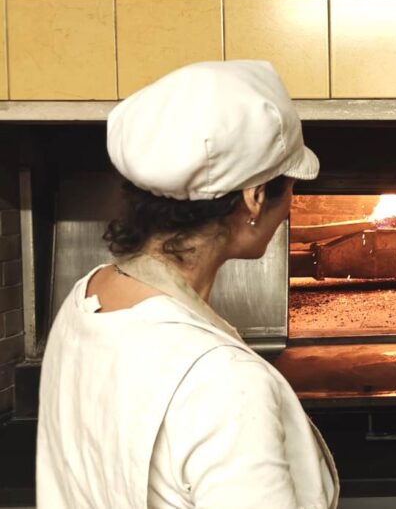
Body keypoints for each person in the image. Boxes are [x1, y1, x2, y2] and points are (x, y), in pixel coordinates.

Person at [36, 60, 339, 508]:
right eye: (291, 185)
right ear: (254, 198)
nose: (292, 201)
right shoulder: (222, 383)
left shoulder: (86, 297)